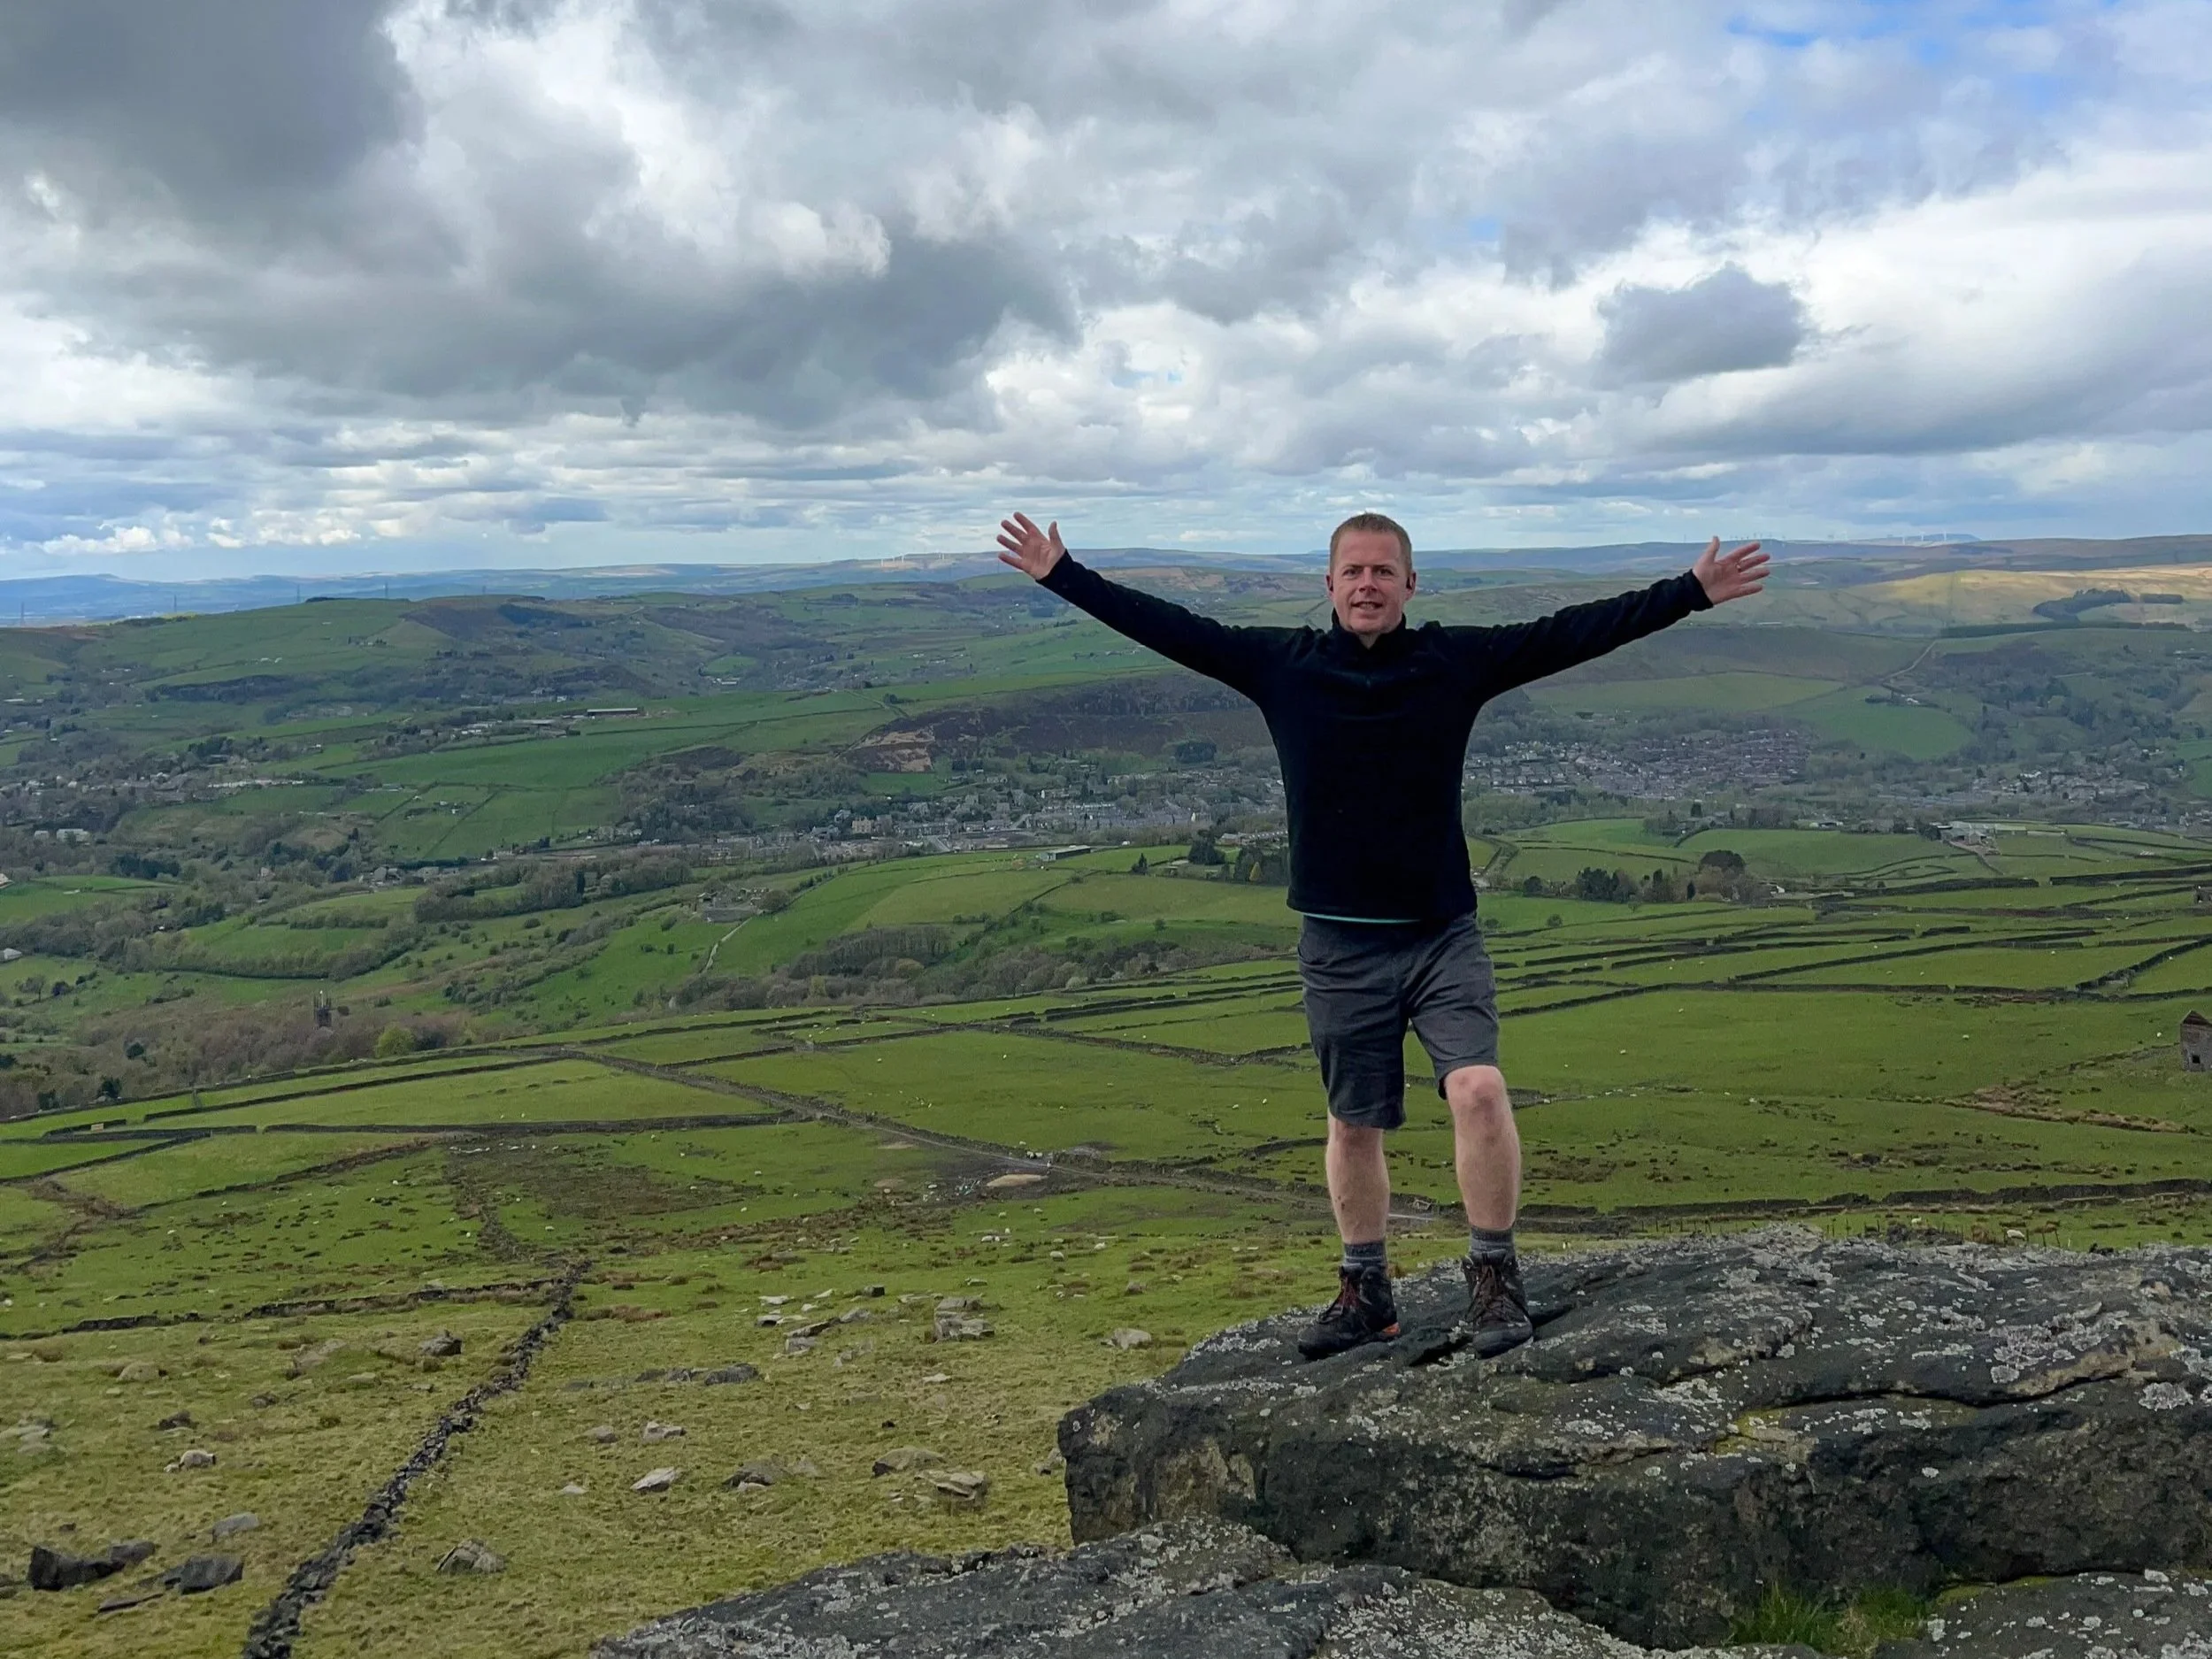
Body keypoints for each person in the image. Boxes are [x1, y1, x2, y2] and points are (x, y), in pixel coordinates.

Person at [995, 510, 1768, 1358]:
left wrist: (1690, 592)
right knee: (1353, 1123)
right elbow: (1167, 626)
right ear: (1328, 586)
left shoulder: (1454, 662)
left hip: (1441, 934)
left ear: (1410, 585)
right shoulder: (1281, 667)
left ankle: (1495, 1278)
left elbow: (1574, 632)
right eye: (1353, 572)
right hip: (1337, 942)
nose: (1368, 585)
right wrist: (1062, 574)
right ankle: (1366, 1289)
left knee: (1477, 1089)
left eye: (1383, 572)